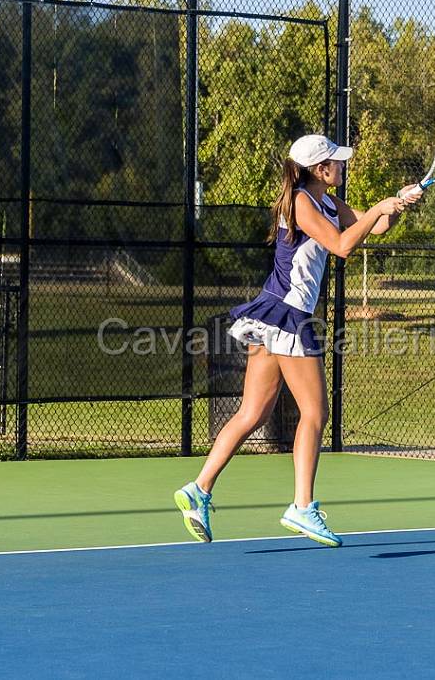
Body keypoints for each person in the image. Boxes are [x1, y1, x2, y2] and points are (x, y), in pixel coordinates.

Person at [174, 134, 419, 547]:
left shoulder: (326, 201)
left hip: (274, 313)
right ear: (320, 169)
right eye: (336, 162)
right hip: (288, 316)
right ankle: (302, 507)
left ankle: (198, 489)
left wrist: (397, 202)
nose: (342, 166)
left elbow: (372, 226)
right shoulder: (302, 203)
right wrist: (378, 208)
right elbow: (342, 246)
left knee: (252, 412)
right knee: (315, 413)